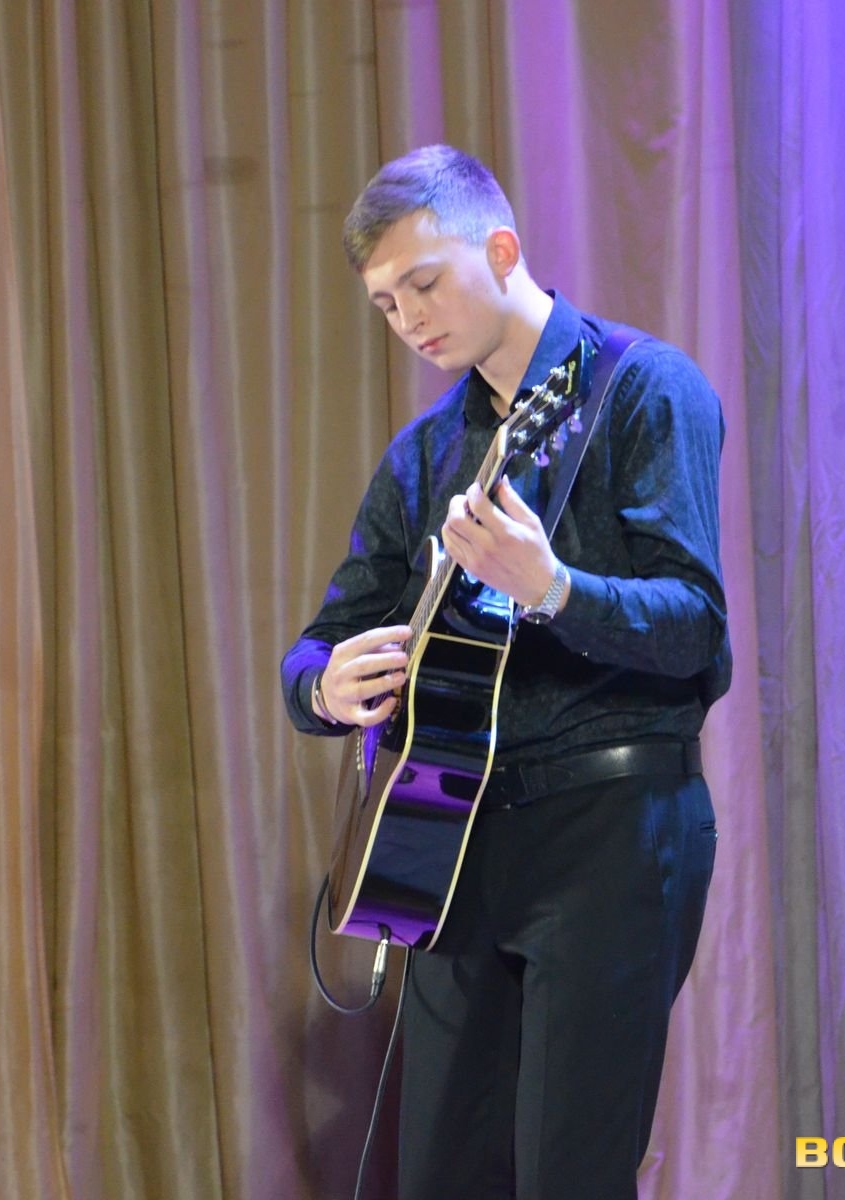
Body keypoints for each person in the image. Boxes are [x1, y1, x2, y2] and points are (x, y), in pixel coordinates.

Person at [280, 144, 729, 1200]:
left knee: (571, 1172)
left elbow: (697, 631)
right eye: (387, 305)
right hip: (454, 843)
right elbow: (319, 643)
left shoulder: (643, 389)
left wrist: (556, 588)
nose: (410, 319)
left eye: (424, 283)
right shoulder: (424, 452)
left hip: (612, 828)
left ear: (501, 249)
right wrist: (322, 687)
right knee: (442, 1172)